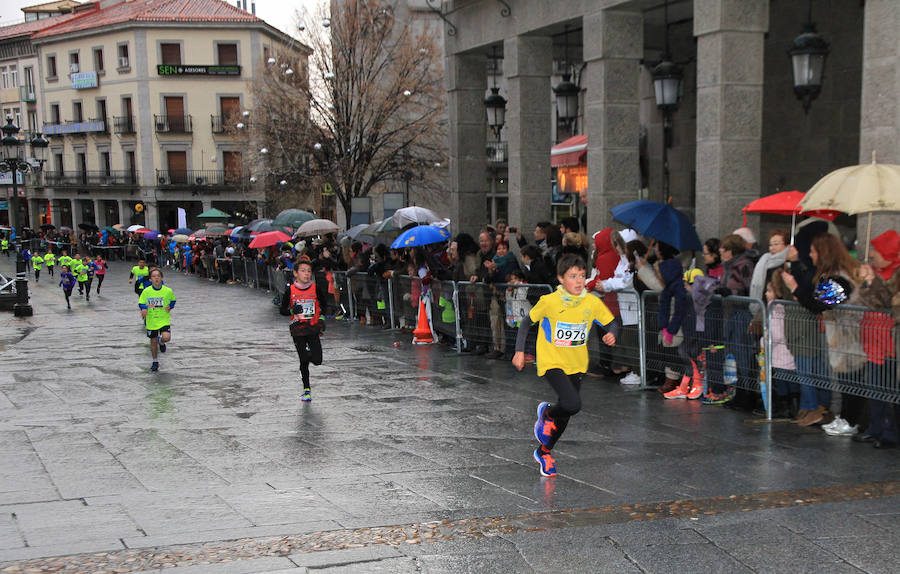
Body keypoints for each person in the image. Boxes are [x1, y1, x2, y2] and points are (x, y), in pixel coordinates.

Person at [512, 254, 618, 477]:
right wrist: (519, 351)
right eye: (572, 276)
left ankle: (544, 451)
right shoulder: (549, 302)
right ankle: (547, 412)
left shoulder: (591, 302)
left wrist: (612, 334)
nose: (579, 281)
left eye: (582, 276)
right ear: (561, 278)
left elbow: (611, 323)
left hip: (577, 364)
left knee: (567, 412)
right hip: (551, 361)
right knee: (572, 404)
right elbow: (526, 322)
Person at [279, 257, 329, 402]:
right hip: (298, 329)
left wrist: (321, 318)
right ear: (295, 273)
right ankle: (306, 389)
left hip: (313, 327)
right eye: (303, 271)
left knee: (318, 360)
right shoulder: (290, 290)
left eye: (308, 271)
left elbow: (324, 305)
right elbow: (282, 310)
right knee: (303, 360)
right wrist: (292, 310)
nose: (306, 274)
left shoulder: (315, 288)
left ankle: (307, 354)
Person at [139, 267, 176, 372]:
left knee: (167, 337)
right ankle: (155, 361)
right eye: (154, 276)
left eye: (158, 276)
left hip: (164, 319)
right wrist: (144, 309)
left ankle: (162, 341)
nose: (156, 278)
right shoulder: (146, 291)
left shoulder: (168, 291)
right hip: (151, 320)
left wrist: (170, 306)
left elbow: (173, 300)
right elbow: (141, 302)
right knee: (153, 341)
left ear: (162, 278)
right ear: (150, 279)